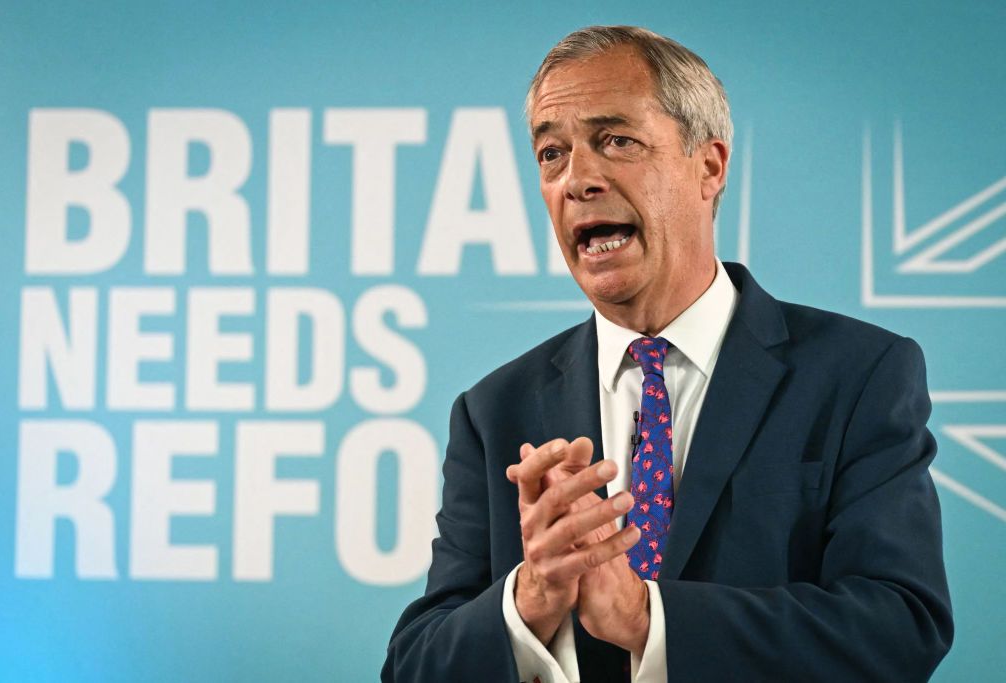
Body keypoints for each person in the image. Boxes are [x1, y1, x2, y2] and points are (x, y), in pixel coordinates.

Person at [382, 25, 953, 682]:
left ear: (708, 166)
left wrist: (648, 617)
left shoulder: (859, 374)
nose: (577, 179)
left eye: (616, 140)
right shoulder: (494, 411)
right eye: (550, 153)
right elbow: (415, 664)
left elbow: (899, 626)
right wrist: (532, 597)